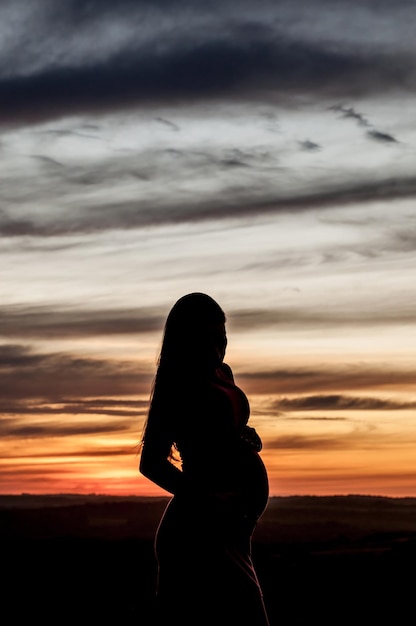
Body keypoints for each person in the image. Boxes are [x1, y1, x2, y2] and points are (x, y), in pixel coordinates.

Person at [139, 292, 270, 625]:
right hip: (197, 532)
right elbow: (150, 463)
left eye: (222, 338)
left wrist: (246, 434)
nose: (218, 348)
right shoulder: (178, 384)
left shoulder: (222, 373)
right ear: (187, 340)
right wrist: (207, 498)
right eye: (207, 340)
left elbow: (217, 430)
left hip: (233, 530)